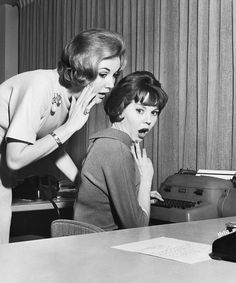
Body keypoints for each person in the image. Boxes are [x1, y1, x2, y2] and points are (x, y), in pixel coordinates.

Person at [0, 28, 126, 243]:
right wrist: (69, 128)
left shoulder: (72, 99)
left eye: (114, 75)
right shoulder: (41, 86)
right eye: (104, 74)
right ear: (82, 68)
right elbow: (15, 159)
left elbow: (52, 148)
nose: (111, 84)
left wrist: (86, 186)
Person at [74, 71, 168, 230]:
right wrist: (145, 180)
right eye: (140, 110)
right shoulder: (115, 149)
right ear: (119, 109)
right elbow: (136, 226)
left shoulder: (105, 142)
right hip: (103, 246)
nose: (149, 120)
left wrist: (138, 194)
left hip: (92, 242)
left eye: (154, 112)